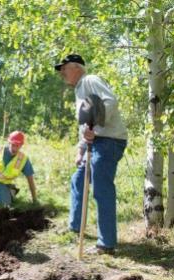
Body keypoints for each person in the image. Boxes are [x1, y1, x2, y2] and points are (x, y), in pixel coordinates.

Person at [54, 54, 128, 255]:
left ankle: (106, 244)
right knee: (78, 179)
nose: (62, 72)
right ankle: (75, 227)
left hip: (108, 140)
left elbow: (110, 101)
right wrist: (80, 149)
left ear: (77, 67)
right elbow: (86, 124)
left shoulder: (90, 80)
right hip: (94, 142)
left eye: (65, 68)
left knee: (101, 188)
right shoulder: (79, 90)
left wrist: (95, 131)